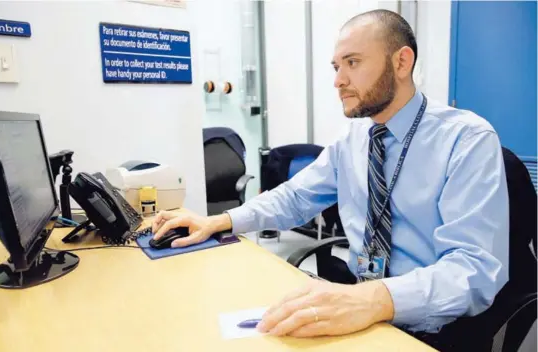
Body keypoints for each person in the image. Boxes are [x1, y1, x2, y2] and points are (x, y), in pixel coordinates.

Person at [151, 9, 509, 349]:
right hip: (363, 309)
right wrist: (219, 220)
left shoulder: (467, 140)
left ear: (402, 62)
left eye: (352, 63)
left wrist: (374, 299)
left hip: (434, 327)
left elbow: (473, 270)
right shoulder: (352, 139)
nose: (338, 81)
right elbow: (294, 197)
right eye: (337, 67)